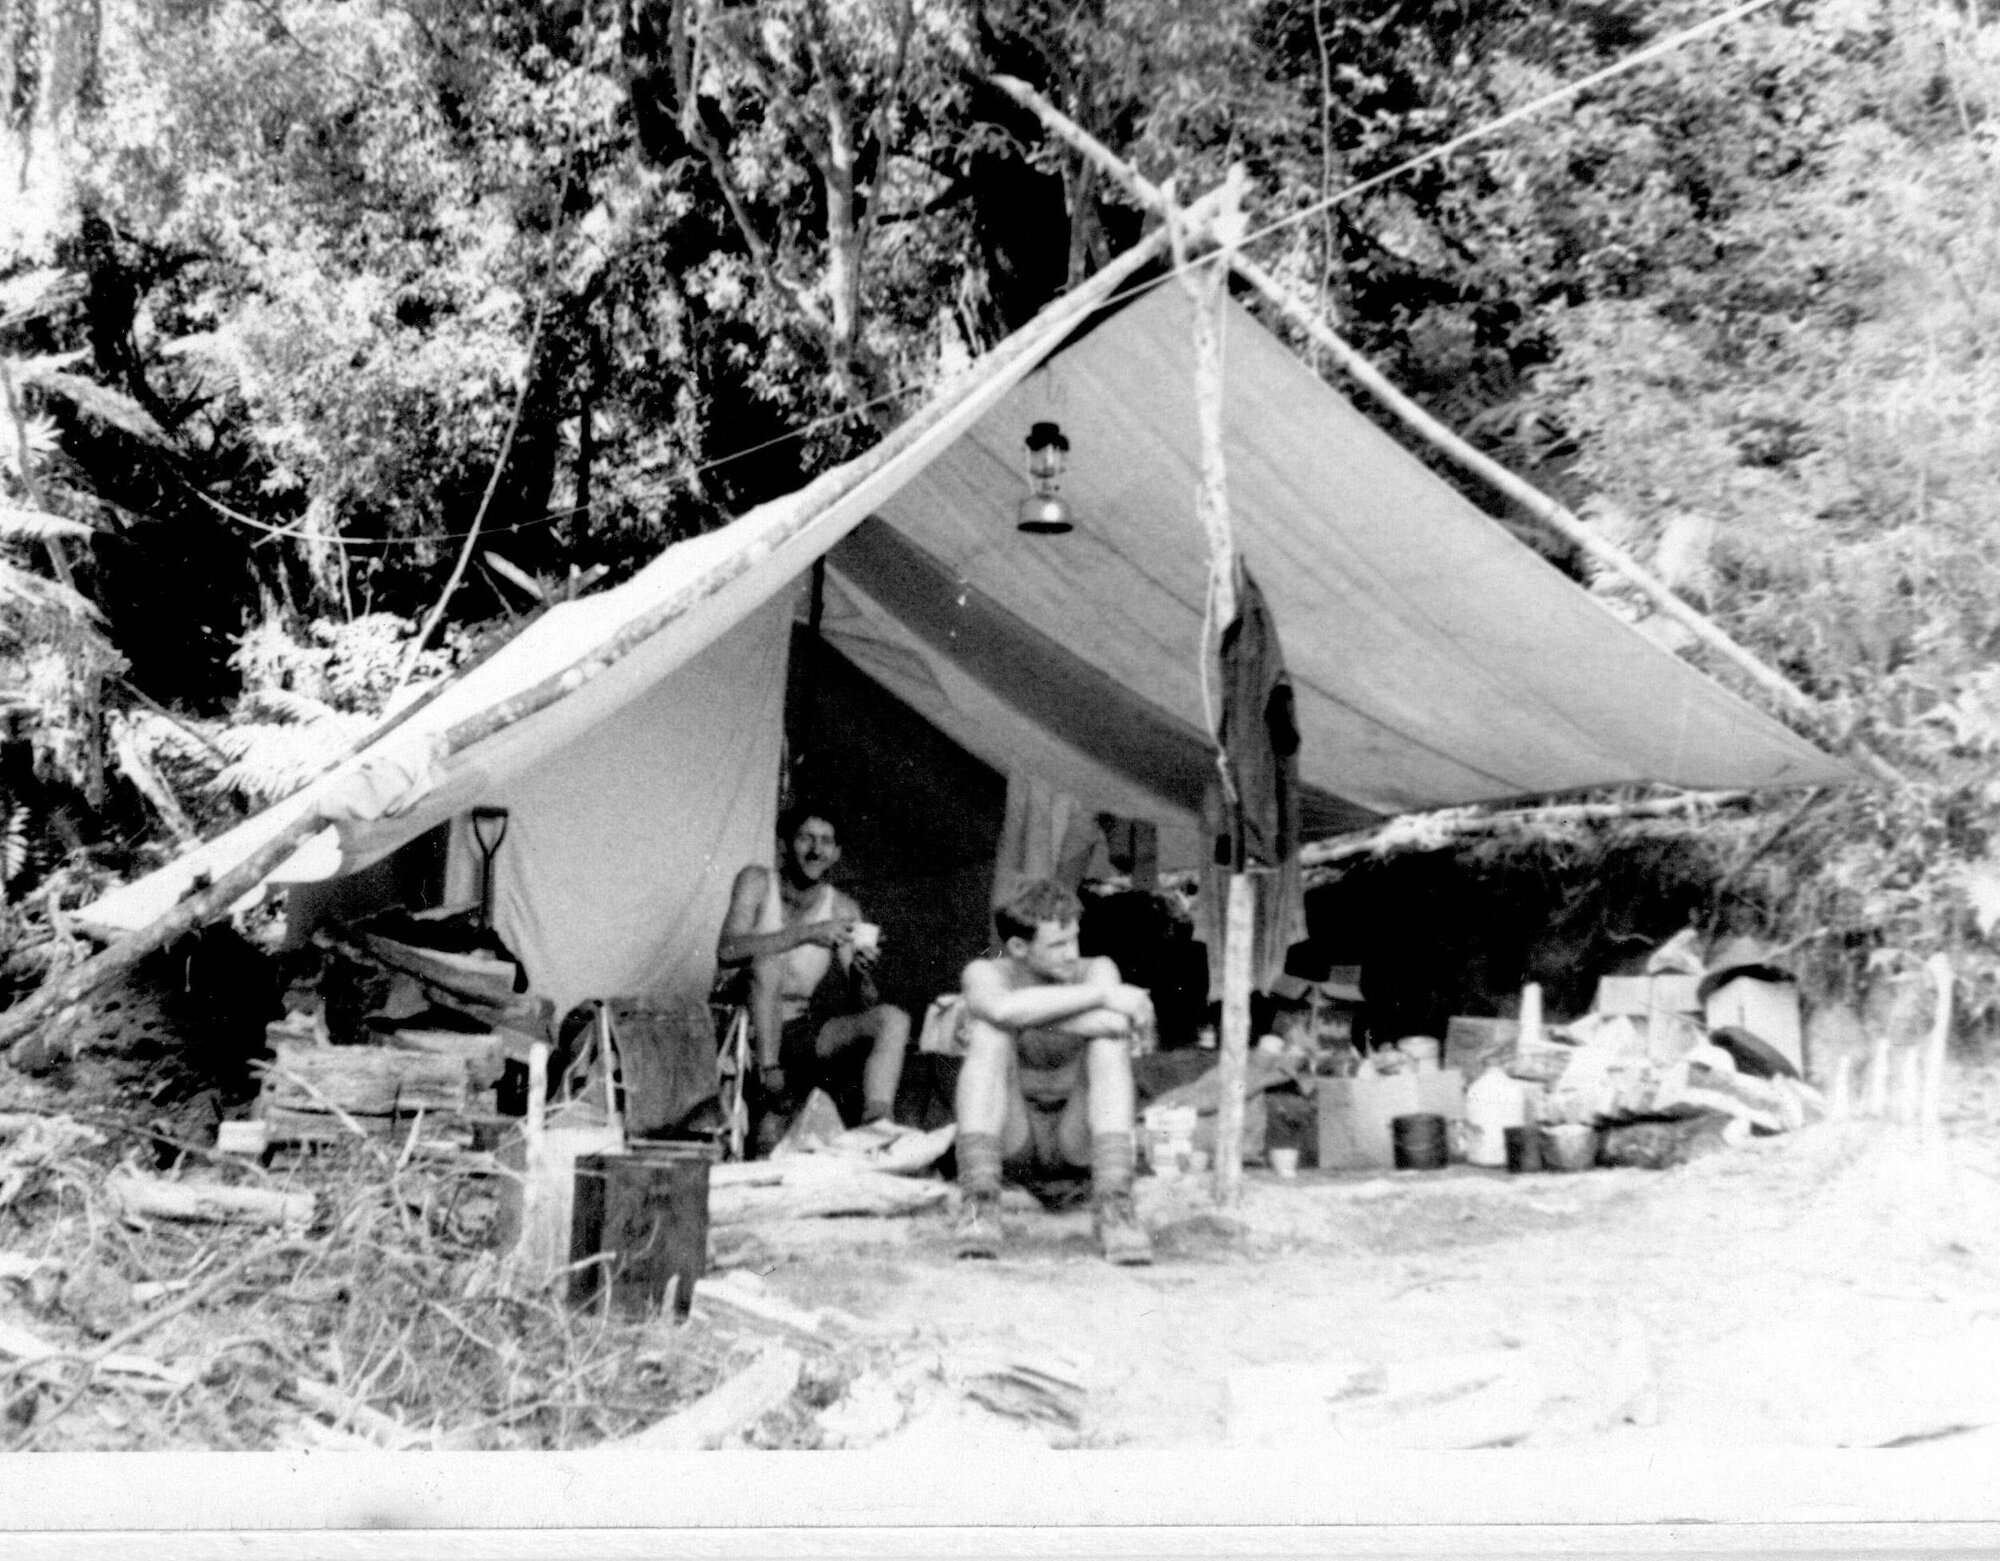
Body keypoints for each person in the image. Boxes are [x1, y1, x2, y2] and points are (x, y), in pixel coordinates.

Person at [953, 878, 1156, 1265]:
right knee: (989, 1035)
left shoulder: (1098, 968)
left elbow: (1115, 1025)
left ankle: (1115, 1205)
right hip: (1014, 1137)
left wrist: (1018, 1013)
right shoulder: (986, 973)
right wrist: (1102, 997)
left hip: (1077, 1139)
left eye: (1074, 939)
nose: (1072, 953)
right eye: (1058, 945)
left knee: (1108, 1043)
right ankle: (979, 1202)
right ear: (1018, 947)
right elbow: (998, 1010)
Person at [716, 805, 910, 1143]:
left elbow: (864, 1002)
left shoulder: (842, 908)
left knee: (892, 1019)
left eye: (826, 841)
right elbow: (727, 950)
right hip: (742, 1026)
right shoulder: (757, 881)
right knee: (767, 964)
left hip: (797, 1031)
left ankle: (878, 1123)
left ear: (836, 854)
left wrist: (861, 974)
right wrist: (807, 933)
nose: (816, 850)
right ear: (784, 844)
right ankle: (770, 1079)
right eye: (806, 838)